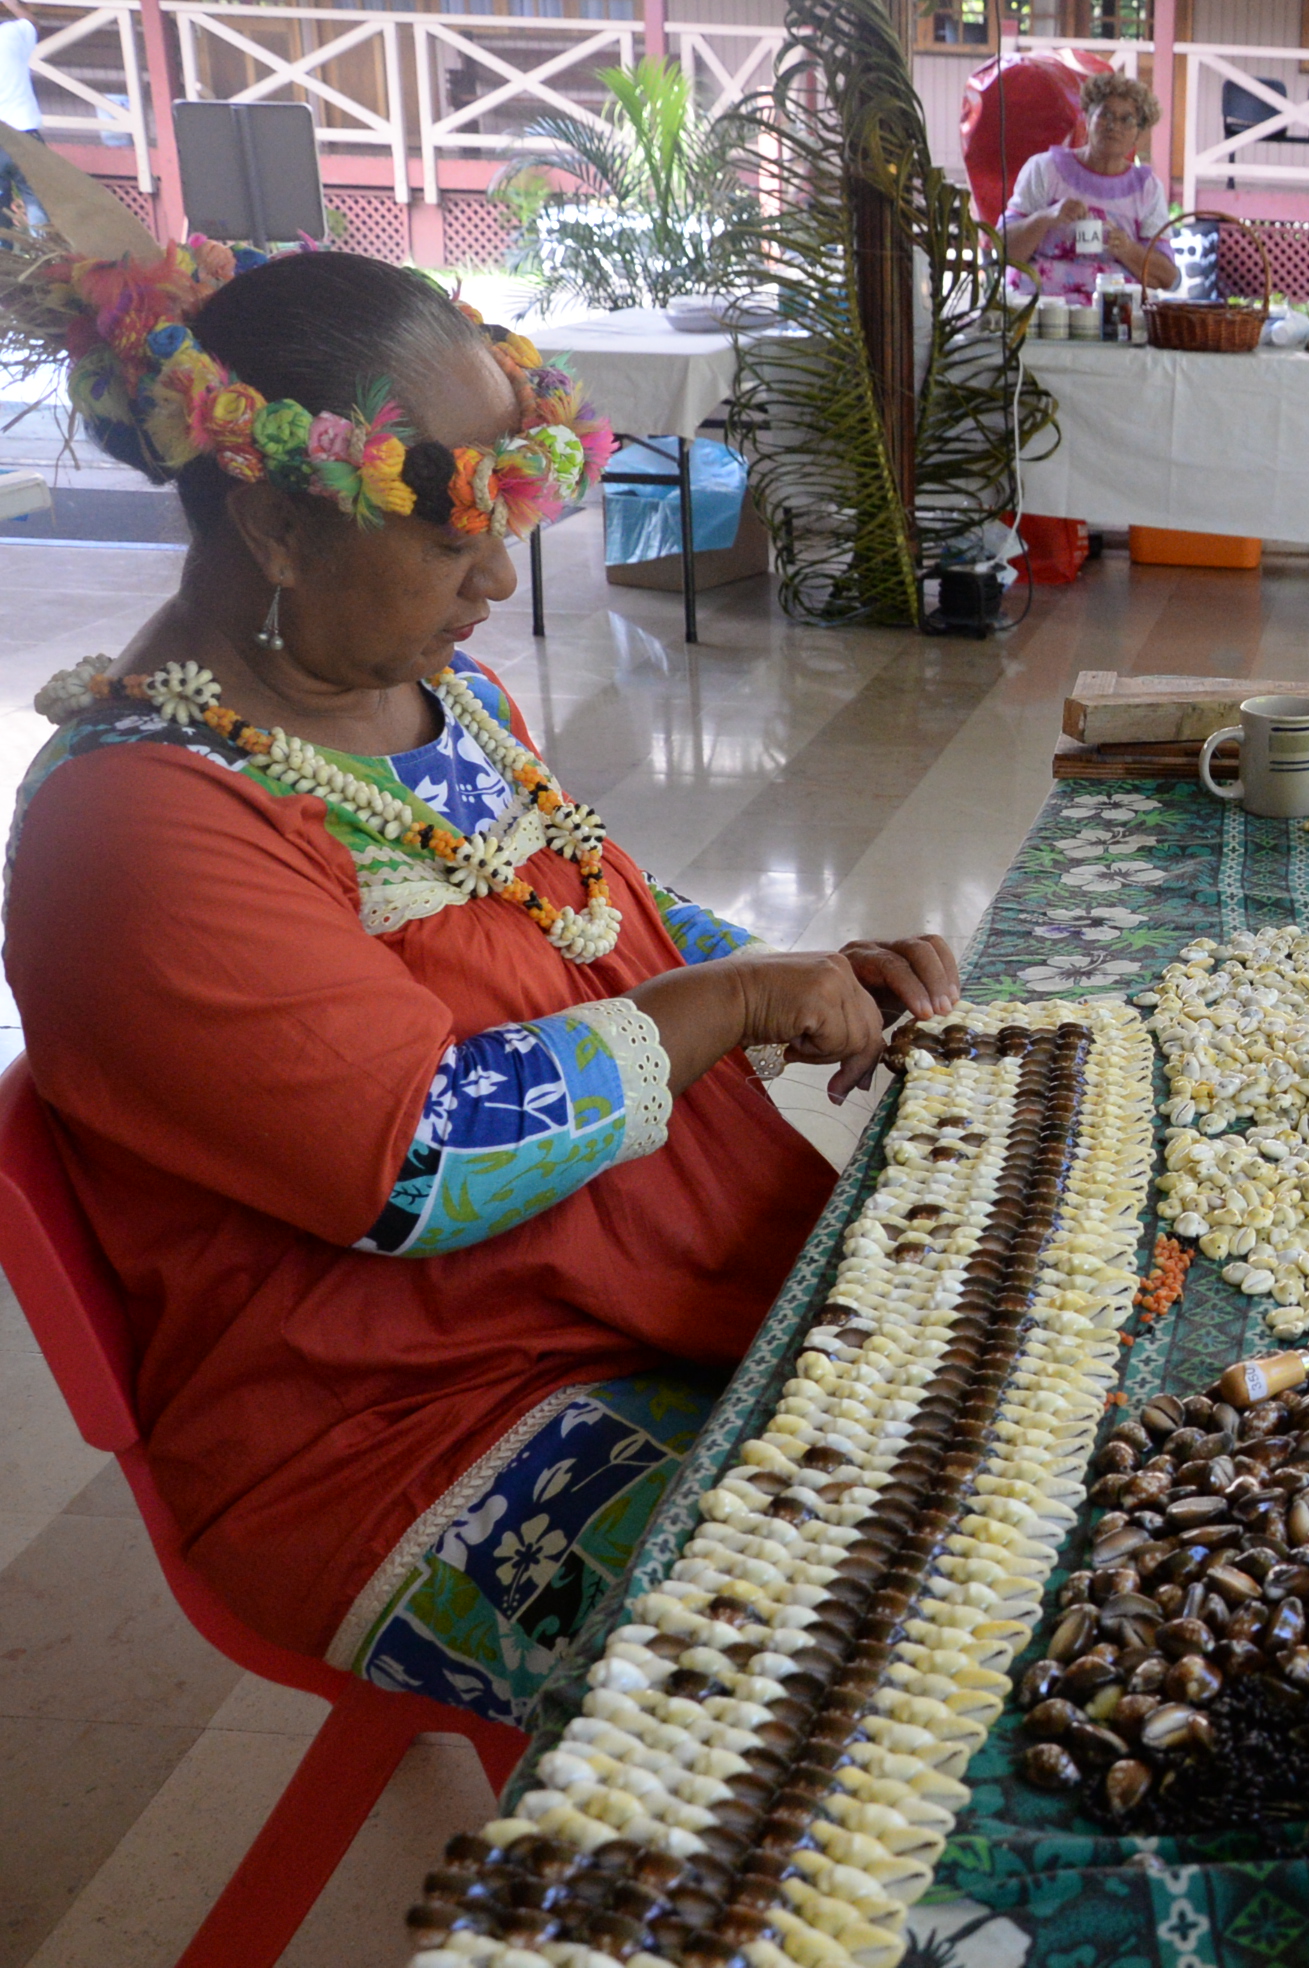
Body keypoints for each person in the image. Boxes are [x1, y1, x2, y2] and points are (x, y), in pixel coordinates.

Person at [0, 224, 961, 1724]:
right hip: (398, 1429)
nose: (498, 580)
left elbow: (596, 914)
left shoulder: (431, 692)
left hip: (605, 1302)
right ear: (277, 528)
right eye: (455, 539)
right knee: (907, 1649)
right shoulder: (136, 825)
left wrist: (795, 968)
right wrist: (724, 1007)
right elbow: (418, 1164)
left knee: (1015, 1441)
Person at [999, 69, 1181, 305]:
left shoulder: (1146, 188)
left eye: (1126, 119)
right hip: (1038, 311)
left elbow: (1167, 278)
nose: (1114, 126)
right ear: (1087, 118)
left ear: (1138, 132)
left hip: (1113, 318)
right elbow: (1001, 250)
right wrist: (1046, 218)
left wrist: (1126, 248)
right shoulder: (1046, 169)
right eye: (1105, 114)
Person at [0, 0, 45, 237]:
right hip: (25, 134)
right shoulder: (11, 34)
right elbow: (32, 22)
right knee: (38, 202)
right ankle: (45, 259)